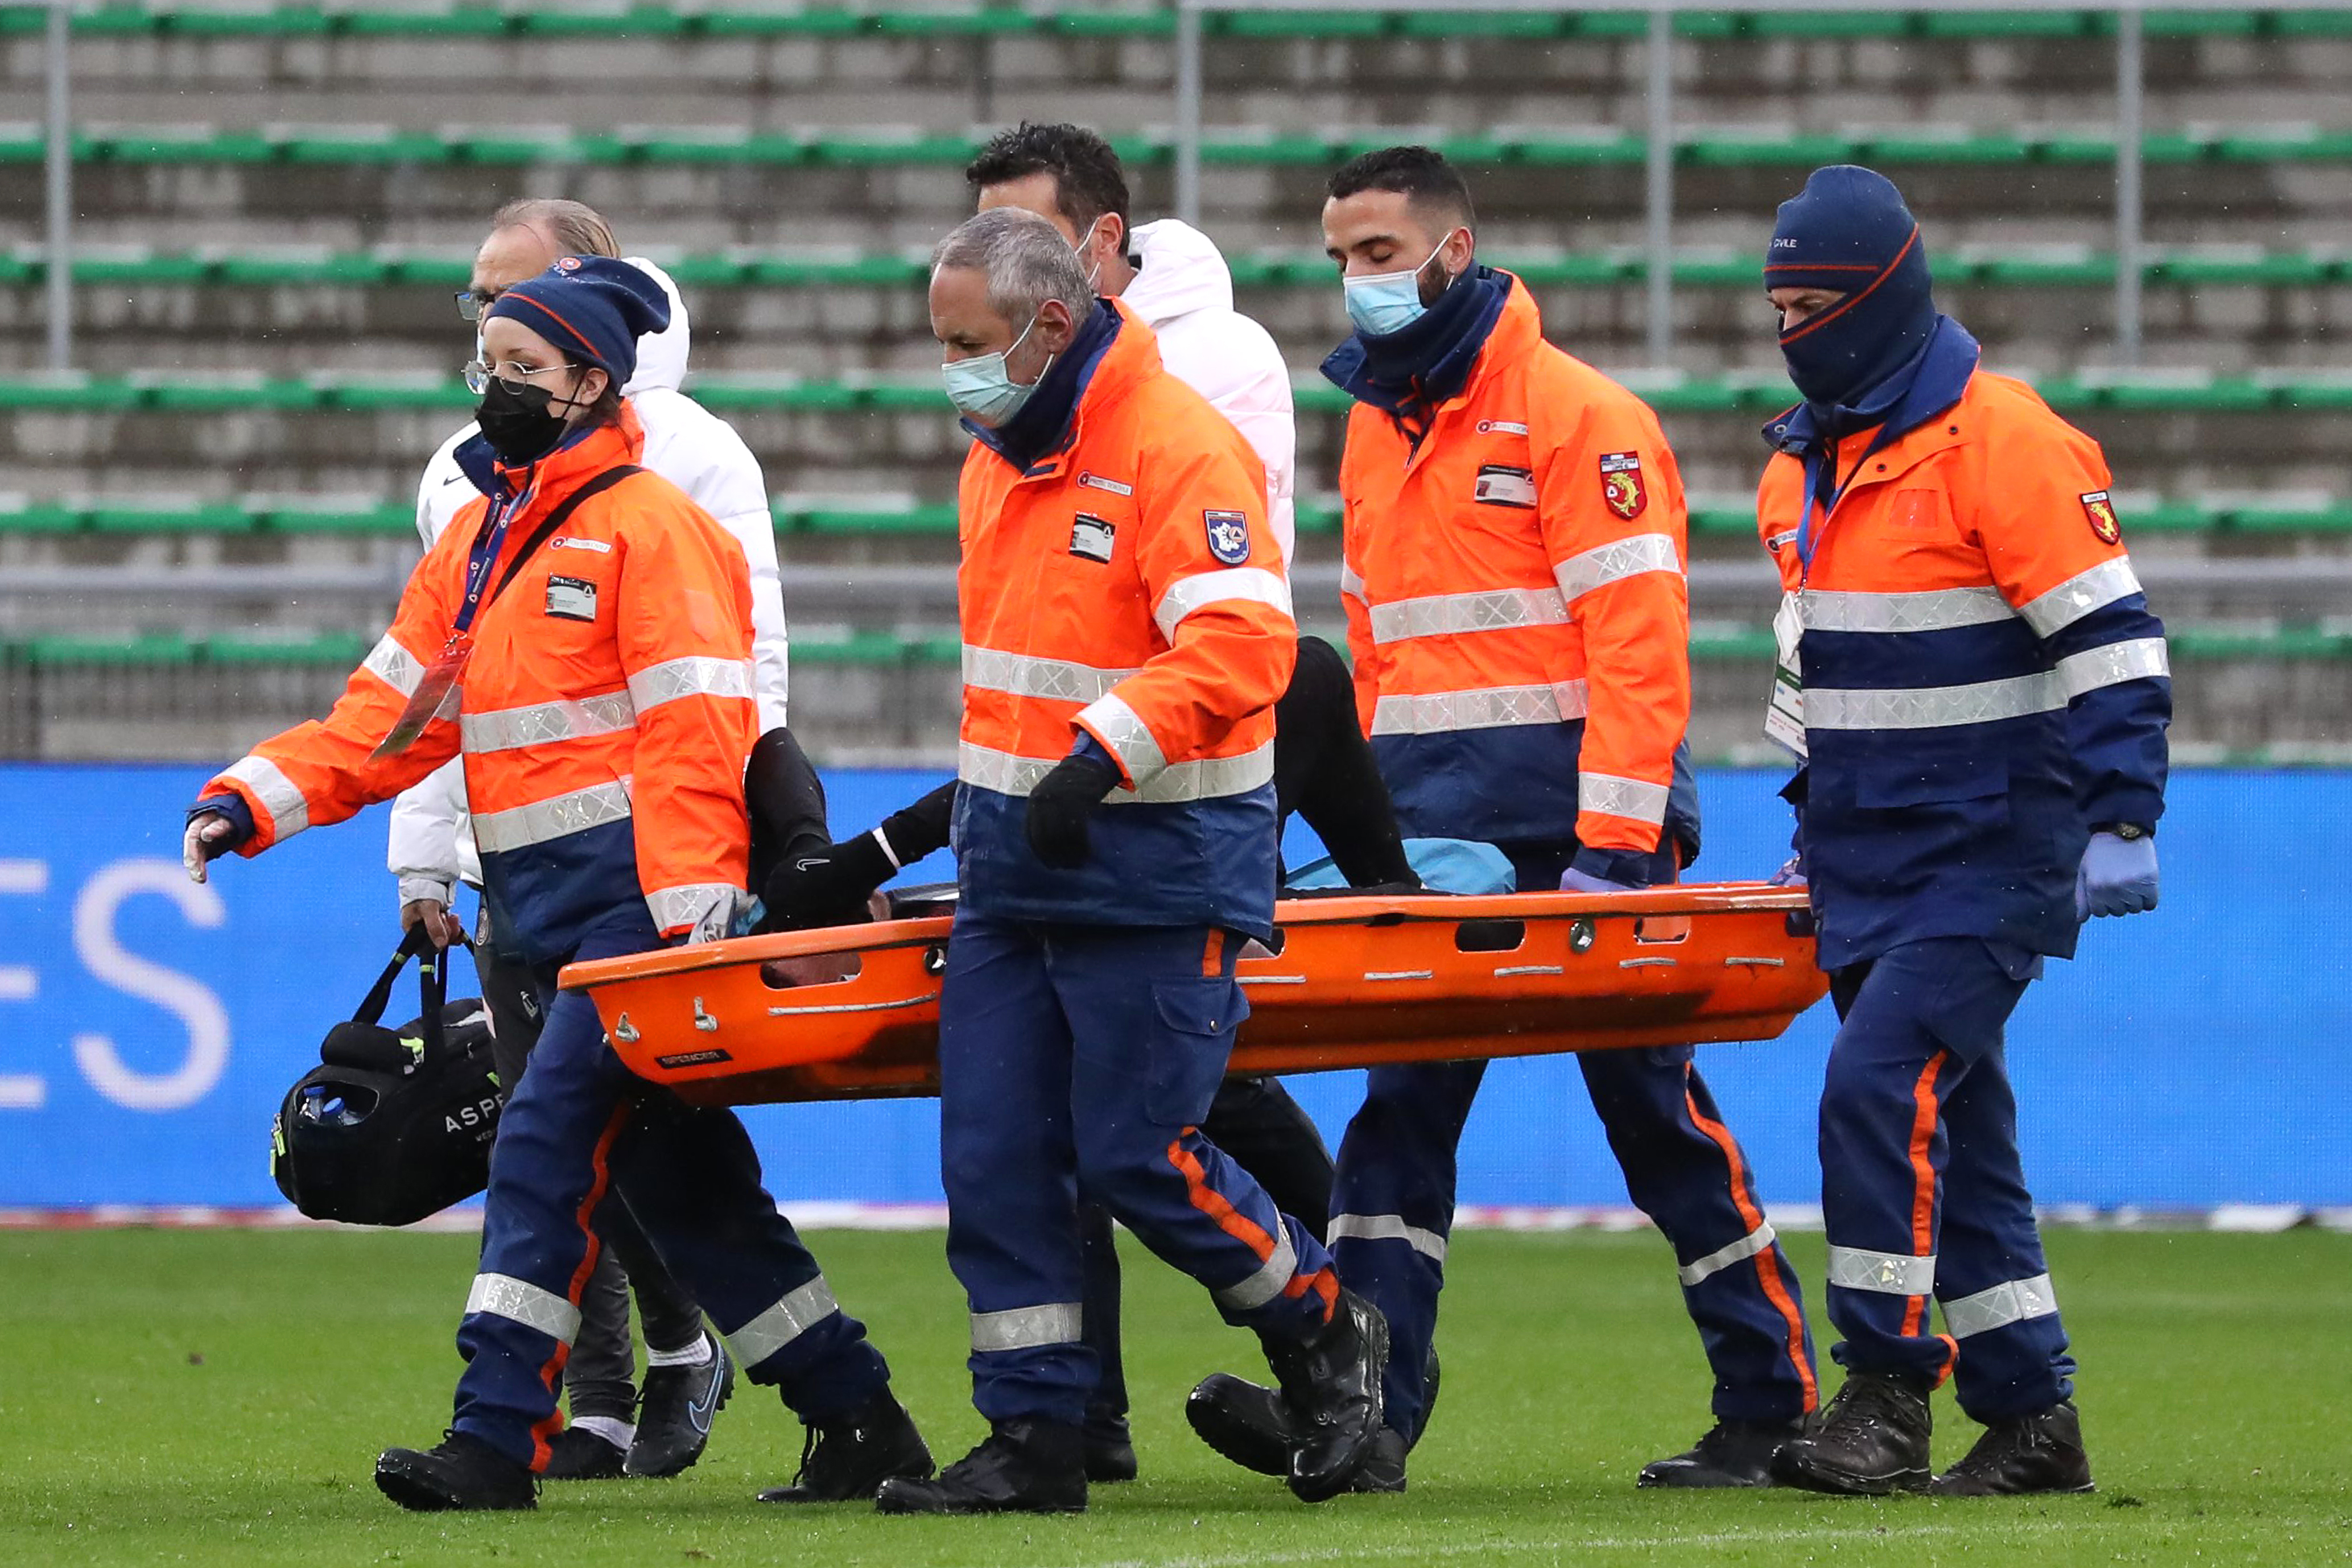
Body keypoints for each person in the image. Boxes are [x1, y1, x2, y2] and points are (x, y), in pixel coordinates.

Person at [181, 255, 931, 1513]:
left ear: (593, 379)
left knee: (540, 1148)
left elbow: (703, 726)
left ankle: (496, 1434)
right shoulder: (483, 538)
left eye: (526, 368)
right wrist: (255, 795)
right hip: (532, 912)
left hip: (631, 912)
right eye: (491, 364)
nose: (498, 386)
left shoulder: (655, 527)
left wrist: (693, 906)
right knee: (680, 1186)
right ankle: (859, 1416)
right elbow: (392, 714)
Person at [1186, 146, 1819, 1493]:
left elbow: (1636, 650)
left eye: (1373, 253)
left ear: (1449, 253)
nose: (1351, 281)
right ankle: (1363, 1417)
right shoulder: (1375, 425)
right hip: (1441, 853)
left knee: (1653, 1120)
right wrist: (1381, 846)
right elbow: (1373, 658)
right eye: (1338, 256)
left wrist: (1610, 846)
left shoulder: (1579, 416)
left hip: (1584, 838)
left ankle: (1773, 1402)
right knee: (1396, 1126)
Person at [869, 208, 1387, 1517]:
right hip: (1015, 873)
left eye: (967, 343)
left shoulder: (1172, 446)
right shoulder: (1001, 459)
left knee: (1137, 1153)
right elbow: (1007, 692)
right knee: (995, 1159)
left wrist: (1103, 752)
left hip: (1157, 865)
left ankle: (1325, 1324)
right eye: (942, 344)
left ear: (1051, 323)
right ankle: (1035, 1436)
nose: (953, 371)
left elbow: (1245, 648)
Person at [1751, 166, 2169, 1497]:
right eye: (1778, 303)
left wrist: (2117, 814)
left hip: (1987, 853)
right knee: (1961, 1139)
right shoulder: (1801, 468)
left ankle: (1881, 1390)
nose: (1790, 327)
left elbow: (2110, 638)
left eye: (1815, 301)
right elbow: (1814, 676)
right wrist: (1810, 829)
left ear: (1883, 293)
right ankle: (2030, 1412)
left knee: (1873, 1090)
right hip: (1871, 857)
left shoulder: (2007, 442)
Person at [388, 196, 785, 1482]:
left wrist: (718, 851)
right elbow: (438, 687)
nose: (489, 325)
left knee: (593, 1137)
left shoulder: (692, 460)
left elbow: (743, 661)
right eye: (477, 303)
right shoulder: (461, 469)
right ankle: (612, 1393)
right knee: (565, 1139)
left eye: (515, 297)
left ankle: (663, 1363)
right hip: (520, 853)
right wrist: (426, 848)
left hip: (643, 861)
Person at [968, 121, 1298, 565]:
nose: (1003, 267)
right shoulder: (1019, 353)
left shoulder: (1224, 355)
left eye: (1028, 241)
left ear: (1104, 238)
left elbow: (1227, 562)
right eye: (987, 244)